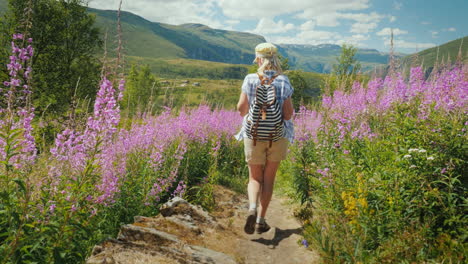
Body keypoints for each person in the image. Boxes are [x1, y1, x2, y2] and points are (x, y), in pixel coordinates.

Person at [235, 42, 294, 234]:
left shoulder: (250, 78)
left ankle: (252, 207)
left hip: (252, 135)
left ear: (258, 59)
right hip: (277, 135)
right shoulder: (284, 80)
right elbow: (287, 115)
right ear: (275, 59)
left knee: (254, 177)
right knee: (269, 178)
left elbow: (241, 109)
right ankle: (261, 219)